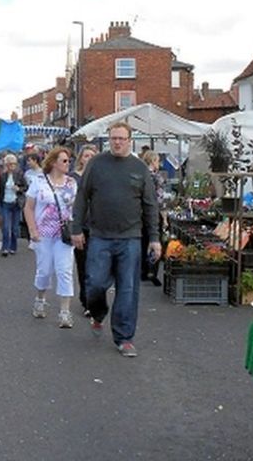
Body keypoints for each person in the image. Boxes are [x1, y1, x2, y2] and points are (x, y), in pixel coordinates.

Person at [71, 122, 160, 358]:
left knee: (128, 289)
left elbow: (150, 205)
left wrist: (155, 238)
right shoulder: (96, 164)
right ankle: (98, 312)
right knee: (95, 284)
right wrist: (76, 228)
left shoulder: (139, 168)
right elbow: (82, 197)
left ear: (130, 140)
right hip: (99, 235)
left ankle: (124, 338)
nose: (117, 142)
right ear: (108, 140)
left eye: (121, 138)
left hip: (130, 237)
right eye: (113, 138)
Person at [24, 147, 78, 328]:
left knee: (64, 271)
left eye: (69, 161)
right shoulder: (38, 181)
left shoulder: (71, 183)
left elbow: (76, 209)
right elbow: (29, 207)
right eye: (64, 161)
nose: (67, 164)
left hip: (64, 234)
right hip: (43, 234)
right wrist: (32, 230)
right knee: (45, 270)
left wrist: (78, 230)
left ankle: (65, 312)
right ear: (54, 162)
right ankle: (40, 299)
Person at [69, 144, 98, 314]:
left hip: (98, 226)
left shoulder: (100, 177)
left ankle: (92, 298)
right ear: (80, 158)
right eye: (86, 155)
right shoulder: (73, 178)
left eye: (92, 156)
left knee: (96, 266)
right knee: (83, 265)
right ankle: (86, 300)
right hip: (80, 226)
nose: (88, 158)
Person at [140, 150, 168, 286]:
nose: (159, 164)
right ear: (152, 161)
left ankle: (142, 271)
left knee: (142, 241)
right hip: (153, 213)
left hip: (139, 214)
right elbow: (160, 199)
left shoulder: (140, 175)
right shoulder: (157, 178)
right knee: (155, 241)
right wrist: (165, 217)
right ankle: (152, 271)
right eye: (157, 161)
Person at [0, 153, 26, 257]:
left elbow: (26, 187)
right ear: (6, 165)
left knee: (15, 228)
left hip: (16, 204)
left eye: (14, 164)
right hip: (5, 204)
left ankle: (13, 246)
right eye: (10, 164)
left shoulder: (20, 174)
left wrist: (19, 189)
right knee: (6, 227)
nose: (12, 166)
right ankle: (5, 248)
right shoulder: (2, 176)